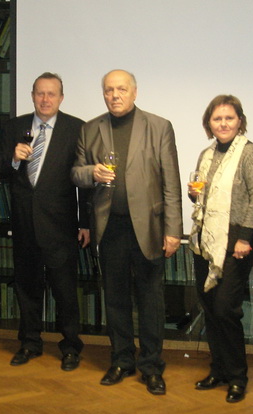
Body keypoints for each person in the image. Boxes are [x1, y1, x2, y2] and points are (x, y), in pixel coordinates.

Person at [71, 69, 182, 396]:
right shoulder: (90, 129)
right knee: (115, 299)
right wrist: (91, 172)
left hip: (149, 228)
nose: (114, 95)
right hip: (110, 228)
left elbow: (171, 183)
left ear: (134, 92)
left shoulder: (159, 126)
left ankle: (151, 366)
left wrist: (173, 230)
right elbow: (75, 174)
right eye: (109, 90)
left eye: (121, 89)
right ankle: (121, 360)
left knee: (151, 301)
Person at [0, 72, 89, 370]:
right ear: (32, 96)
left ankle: (71, 346)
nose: (45, 99)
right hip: (24, 223)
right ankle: (29, 342)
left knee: (65, 289)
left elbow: (83, 180)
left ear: (61, 98)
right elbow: (0, 171)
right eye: (40, 93)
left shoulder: (77, 129)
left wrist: (86, 222)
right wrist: (13, 159)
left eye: (51, 94)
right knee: (27, 287)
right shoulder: (14, 127)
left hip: (61, 225)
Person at [189, 95, 253, 404]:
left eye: (229, 118)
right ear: (209, 123)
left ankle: (237, 377)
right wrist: (194, 194)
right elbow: (202, 197)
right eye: (217, 118)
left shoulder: (250, 153)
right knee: (210, 309)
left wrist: (245, 237)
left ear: (240, 121)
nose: (223, 123)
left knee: (226, 309)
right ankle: (219, 370)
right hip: (206, 239)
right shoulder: (206, 154)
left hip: (237, 240)